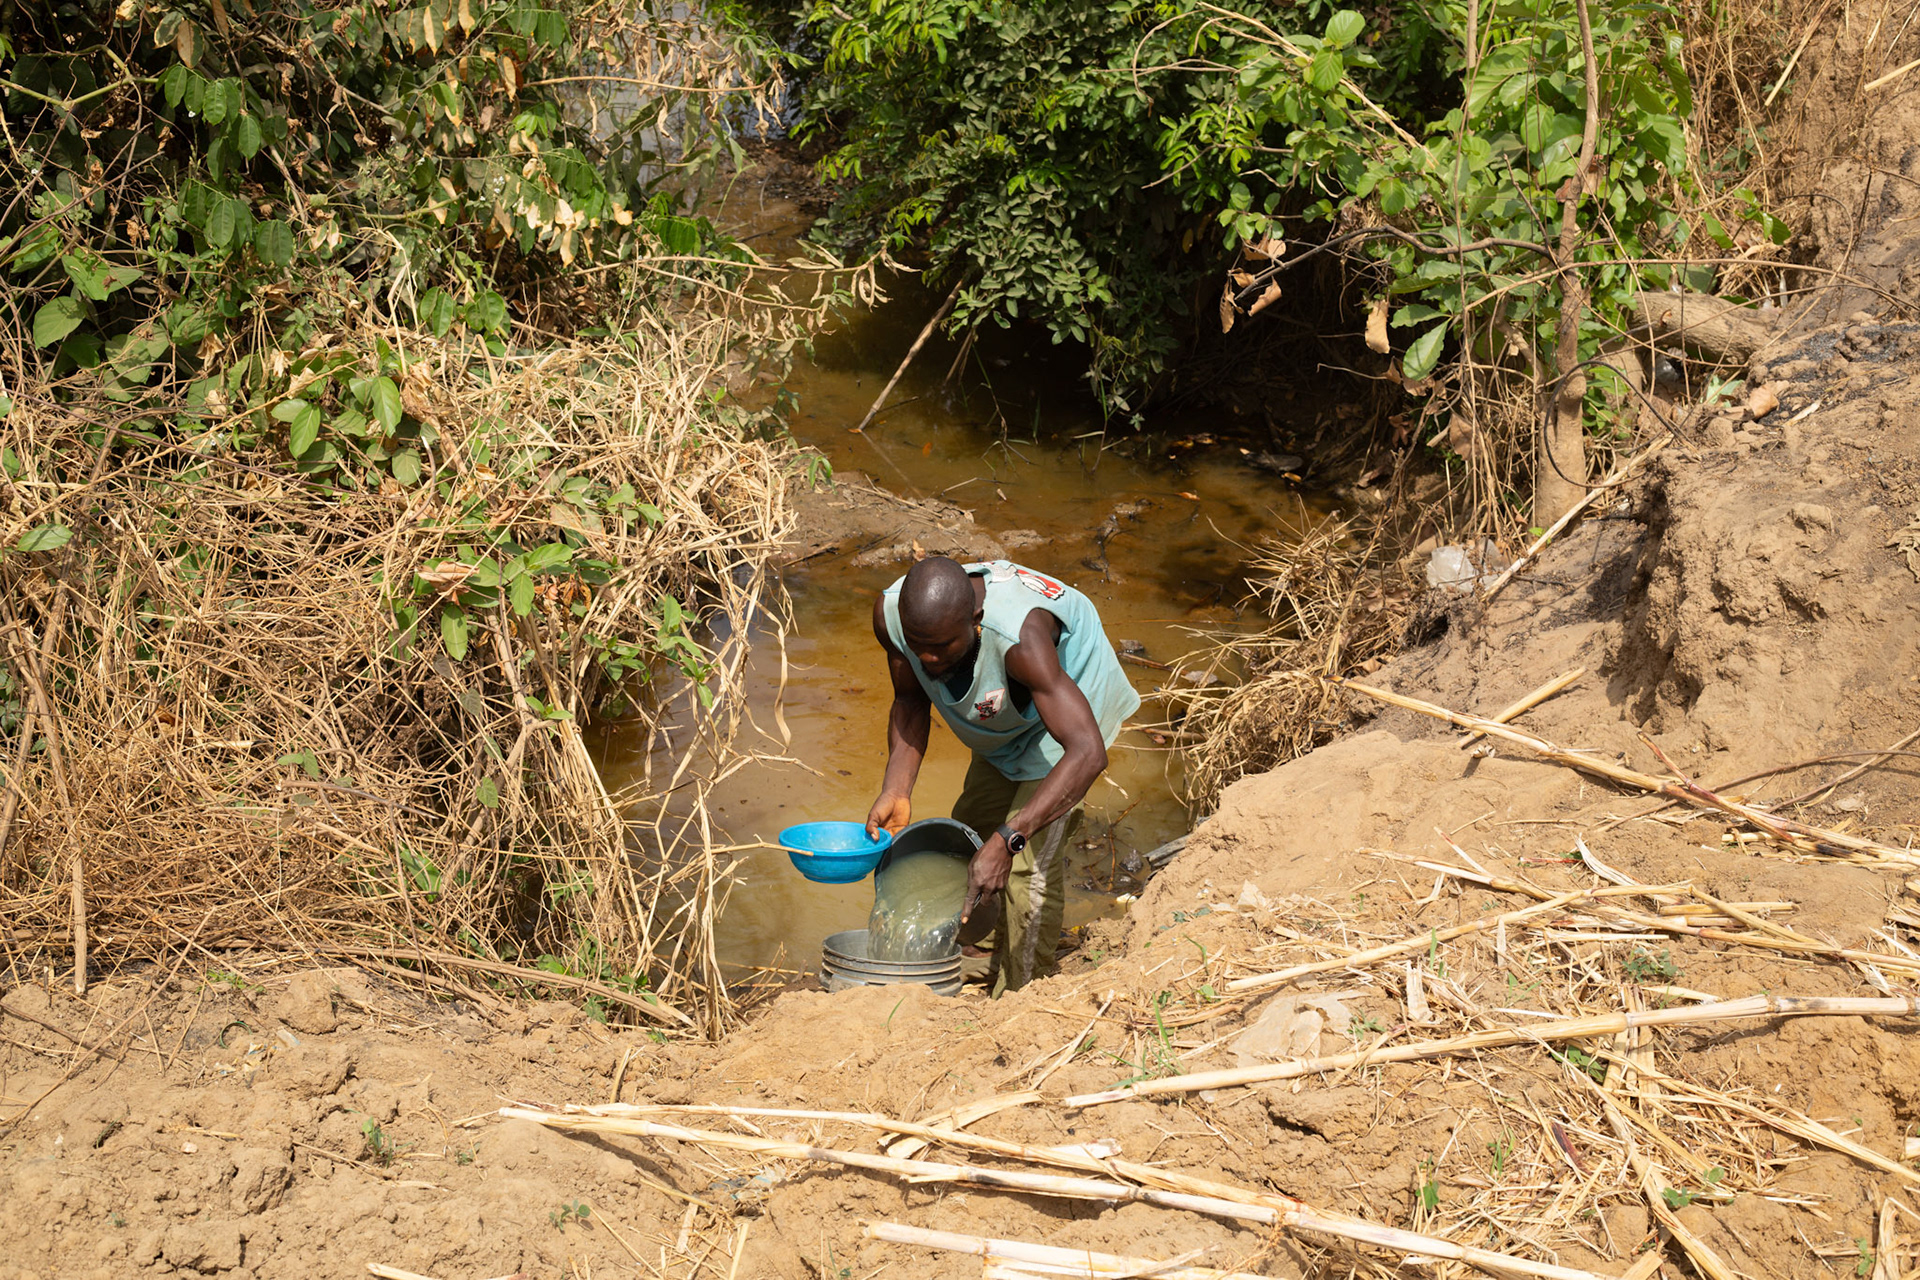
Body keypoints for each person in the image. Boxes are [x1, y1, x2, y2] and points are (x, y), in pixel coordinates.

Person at [864, 556, 1141, 994]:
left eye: (942, 648)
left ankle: (1023, 992)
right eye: (919, 647)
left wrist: (1011, 838)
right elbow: (910, 700)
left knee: (1025, 870)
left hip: (1071, 710)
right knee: (969, 837)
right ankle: (986, 948)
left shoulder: (1020, 638)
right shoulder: (893, 617)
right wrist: (896, 788)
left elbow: (1087, 752)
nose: (928, 659)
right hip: (1006, 716)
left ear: (976, 619)